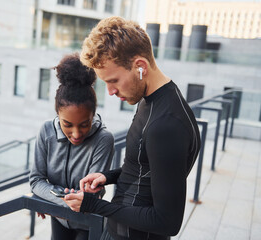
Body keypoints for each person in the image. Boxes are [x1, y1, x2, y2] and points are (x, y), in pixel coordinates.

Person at [63, 16, 201, 240]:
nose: (110, 91)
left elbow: (168, 222)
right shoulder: (151, 98)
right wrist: (107, 176)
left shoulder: (165, 125)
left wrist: (94, 206)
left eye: (114, 80)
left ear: (140, 67)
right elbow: (148, 168)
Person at [29, 53, 115, 240]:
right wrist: (57, 200)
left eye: (84, 124)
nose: (76, 134)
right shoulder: (46, 131)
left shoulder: (103, 139)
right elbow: (36, 180)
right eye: (67, 124)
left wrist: (48, 197)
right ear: (57, 114)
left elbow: (90, 197)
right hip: (59, 219)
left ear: (93, 115)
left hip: (89, 223)